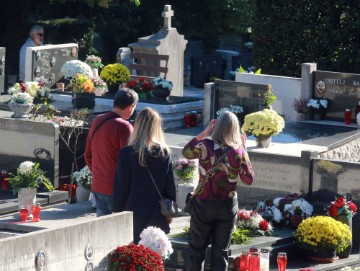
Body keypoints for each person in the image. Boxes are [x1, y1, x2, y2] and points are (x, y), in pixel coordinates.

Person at [182, 111, 254, 271]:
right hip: (227, 205)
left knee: (196, 251)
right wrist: (245, 149)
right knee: (221, 253)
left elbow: (186, 151)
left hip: (203, 203)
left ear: (217, 127)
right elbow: (248, 179)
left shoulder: (205, 146)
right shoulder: (238, 151)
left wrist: (205, 132)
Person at [112, 107, 176, 244]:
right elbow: (169, 186)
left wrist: (116, 212)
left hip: (132, 215)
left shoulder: (126, 153)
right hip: (157, 214)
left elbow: (121, 186)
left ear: (138, 126)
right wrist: (170, 211)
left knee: (134, 257)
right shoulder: (165, 154)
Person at [84, 88, 138, 217]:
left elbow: (87, 155)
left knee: (103, 231)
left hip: (98, 185)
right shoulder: (124, 127)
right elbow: (129, 162)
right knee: (121, 232)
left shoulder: (97, 120)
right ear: (131, 106)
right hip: (118, 188)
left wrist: (100, 173)